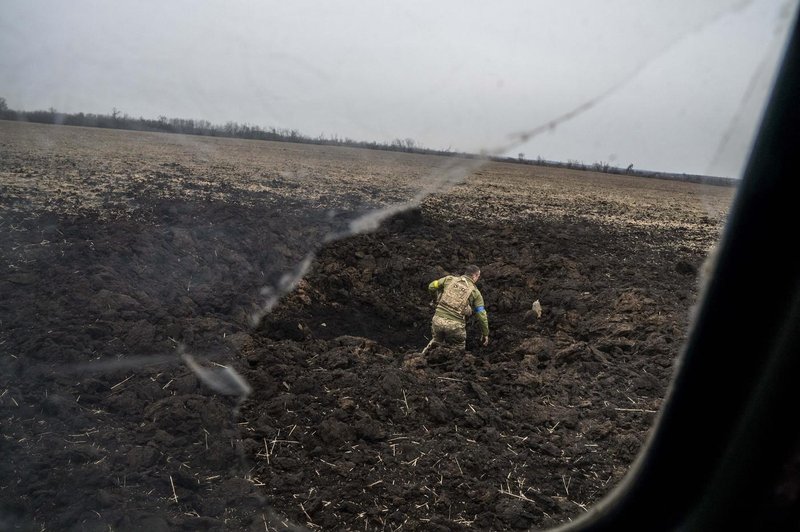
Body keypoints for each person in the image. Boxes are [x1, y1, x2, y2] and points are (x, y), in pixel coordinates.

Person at [422, 264, 489, 354]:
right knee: (457, 351)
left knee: (435, 343)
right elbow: (481, 314)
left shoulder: (449, 279)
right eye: (478, 276)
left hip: (437, 320)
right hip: (455, 326)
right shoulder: (475, 292)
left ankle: (420, 360)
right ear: (475, 276)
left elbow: (431, 286)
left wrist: (435, 300)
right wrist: (485, 333)